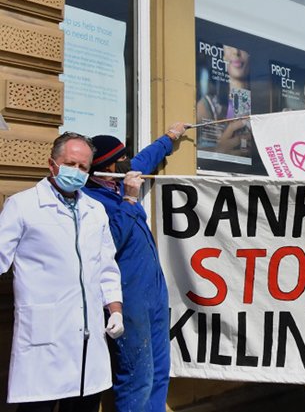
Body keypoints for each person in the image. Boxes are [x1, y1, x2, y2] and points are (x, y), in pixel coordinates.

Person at [0, 132, 123, 411]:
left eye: (83, 167)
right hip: (44, 337)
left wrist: (115, 309)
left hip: (88, 339)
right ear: (51, 164)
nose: (77, 172)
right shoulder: (23, 205)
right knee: (38, 406)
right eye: (71, 164)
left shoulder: (96, 210)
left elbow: (107, 266)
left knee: (84, 404)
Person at [83, 123, 188, 412]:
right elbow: (109, 242)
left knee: (158, 373)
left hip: (153, 293)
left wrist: (169, 137)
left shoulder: (115, 182)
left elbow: (144, 159)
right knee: (137, 378)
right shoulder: (90, 202)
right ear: (105, 167)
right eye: (121, 160)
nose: (128, 164)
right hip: (128, 299)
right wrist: (129, 200)